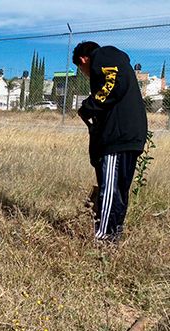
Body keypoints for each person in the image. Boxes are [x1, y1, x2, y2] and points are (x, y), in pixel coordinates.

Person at [73, 41, 147, 242]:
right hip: (130, 135)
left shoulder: (103, 56)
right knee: (120, 190)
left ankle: (104, 237)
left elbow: (112, 84)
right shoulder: (116, 60)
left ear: (83, 60)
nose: (87, 74)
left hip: (118, 136)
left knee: (111, 189)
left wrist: (89, 106)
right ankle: (113, 236)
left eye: (83, 71)